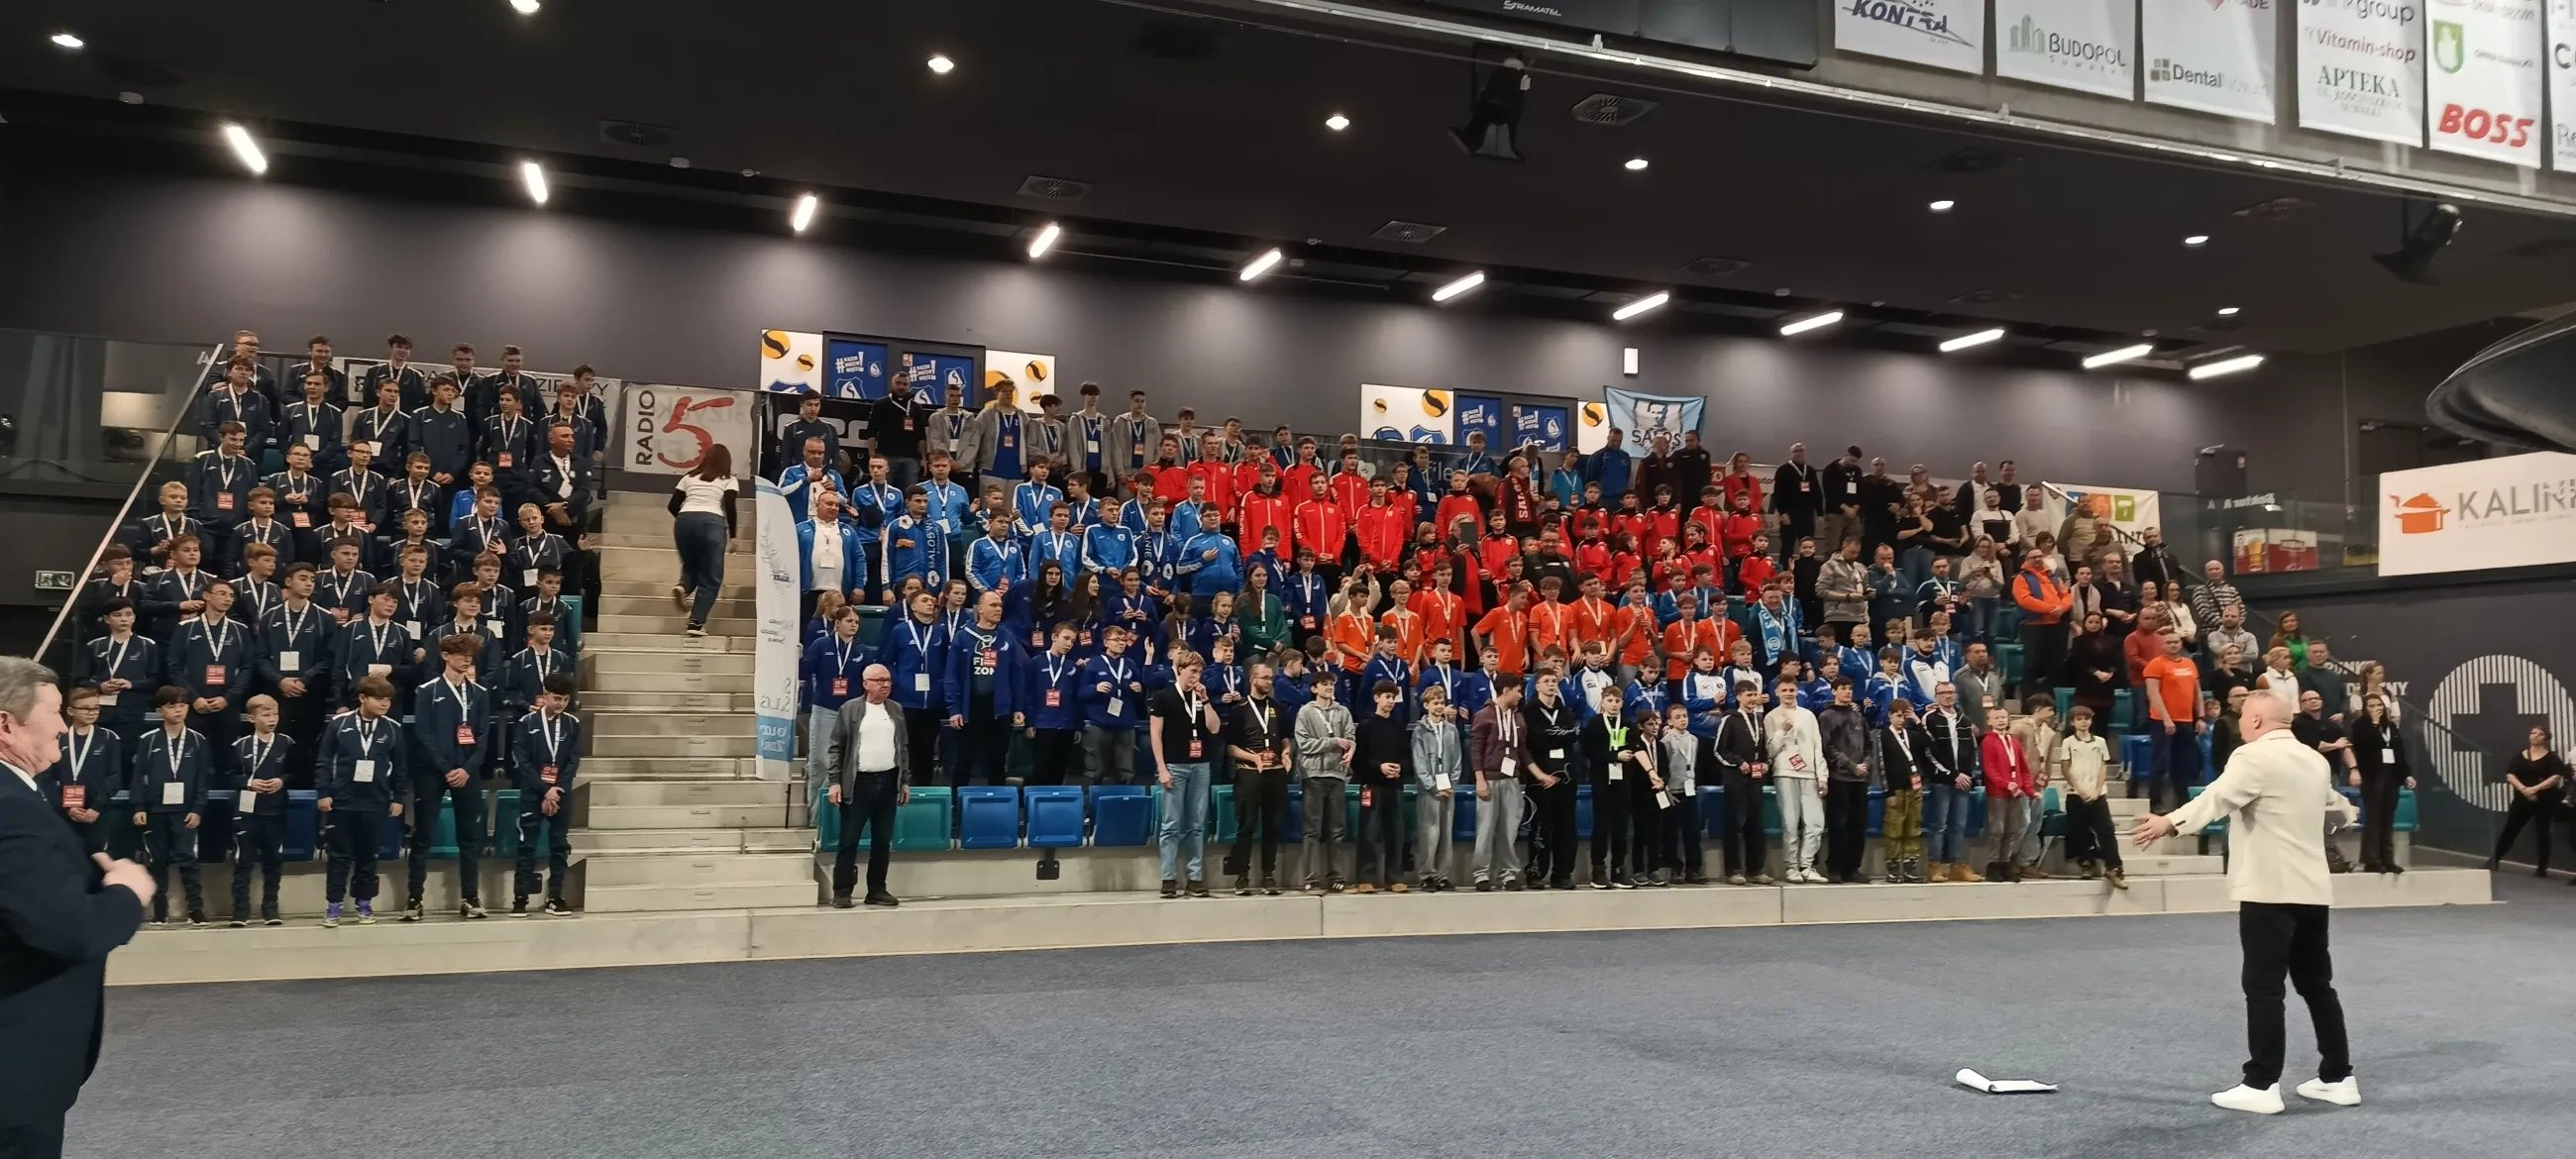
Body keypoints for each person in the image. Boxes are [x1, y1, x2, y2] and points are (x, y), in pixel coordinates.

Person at [2130, 689, 2361, 1115]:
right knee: (2317, 985)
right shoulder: (2314, 760)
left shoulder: (2253, 757)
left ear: (2255, 720)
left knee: (2264, 987)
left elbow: (2217, 797)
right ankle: (2338, 1077)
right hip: (2312, 889)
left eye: (2242, 717)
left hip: (2267, 891)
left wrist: (2169, 822)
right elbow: (2341, 810)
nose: (2239, 723)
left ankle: (2261, 1084)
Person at [0, 656, 156, 1159]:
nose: (64, 726)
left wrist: (83, 872)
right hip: (14, 1067)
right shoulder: (9, 806)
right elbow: (70, 932)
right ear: (7, 724)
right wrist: (127, 891)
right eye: (53, 712)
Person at [409, 633, 492, 921]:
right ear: (445, 656)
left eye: (470, 656)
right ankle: (414, 898)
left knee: (470, 836)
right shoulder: (427, 691)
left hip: (467, 772)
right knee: (423, 833)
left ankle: (470, 897)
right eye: (461, 655)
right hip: (433, 771)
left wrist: (467, 768)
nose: (467, 660)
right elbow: (423, 733)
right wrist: (446, 768)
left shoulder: (479, 693)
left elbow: (483, 735)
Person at [318, 675, 406, 927]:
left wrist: (398, 797)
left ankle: (364, 903)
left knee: (368, 856)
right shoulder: (339, 724)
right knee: (339, 856)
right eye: (379, 699)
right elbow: (324, 760)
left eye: (388, 700)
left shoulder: (393, 728)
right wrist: (323, 792)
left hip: (376, 800)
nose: (385, 704)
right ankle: (334, 905)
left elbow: (400, 766)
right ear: (362, 698)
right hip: (342, 800)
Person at [826, 664, 909, 908]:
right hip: (858, 783)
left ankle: (877, 890)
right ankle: (842, 891)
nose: (885, 685)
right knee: (849, 839)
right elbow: (836, 748)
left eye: (888, 680)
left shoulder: (896, 709)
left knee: (882, 840)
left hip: (888, 781)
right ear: (866, 684)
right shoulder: (850, 709)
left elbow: (903, 748)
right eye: (879, 680)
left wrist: (905, 781)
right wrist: (834, 782)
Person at [1149, 651, 1223, 898]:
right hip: (1174, 765)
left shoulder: (1201, 697)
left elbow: (1214, 728)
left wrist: (1206, 700)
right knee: (1171, 824)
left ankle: (1195, 878)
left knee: (1197, 824)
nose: (1196, 676)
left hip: (1201, 765)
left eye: (1199, 672)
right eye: (1192, 671)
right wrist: (1162, 768)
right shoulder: (1163, 697)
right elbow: (1155, 735)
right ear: (1180, 669)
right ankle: (1168, 878)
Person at [510, 673, 582, 915]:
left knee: (559, 845)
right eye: (557, 698)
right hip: (534, 791)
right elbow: (522, 761)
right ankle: (520, 898)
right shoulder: (527, 723)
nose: (561, 703)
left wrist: (556, 789)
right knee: (527, 844)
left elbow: (573, 760)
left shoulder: (573, 724)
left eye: (565, 699)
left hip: (560, 792)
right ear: (545, 695)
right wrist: (545, 789)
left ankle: (555, 897)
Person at [1225, 659, 1292, 896]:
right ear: (1253, 680)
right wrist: (1253, 758)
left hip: (1275, 773)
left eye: (1271, 678)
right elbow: (1231, 748)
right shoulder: (1239, 710)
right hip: (1249, 772)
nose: (1269, 682)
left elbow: (1285, 739)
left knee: (1273, 826)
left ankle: (1268, 874)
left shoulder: (1279, 708)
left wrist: (1286, 754)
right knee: (1247, 825)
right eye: (1265, 678)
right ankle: (1242, 875)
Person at [227, 695, 292, 926]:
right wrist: (248, 783)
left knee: (273, 860)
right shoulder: (239, 745)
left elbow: (298, 771)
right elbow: (229, 775)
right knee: (243, 861)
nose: (272, 719)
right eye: (266, 715)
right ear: (251, 718)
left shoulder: (287, 743)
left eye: (275, 714)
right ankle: (240, 911)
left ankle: (270, 907)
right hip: (246, 811)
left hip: (275, 810)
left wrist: (282, 780)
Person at [1349, 680, 1413, 894]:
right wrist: (1379, 767)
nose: (1390, 701)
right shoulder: (1366, 726)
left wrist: (1400, 768)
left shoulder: (1398, 727)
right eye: (1387, 697)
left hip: (1395, 786)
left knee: (1396, 833)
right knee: (1368, 832)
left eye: (1393, 697)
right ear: (1376, 698)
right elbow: (1358, 760)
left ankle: (1394, 878)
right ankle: (1365, 878)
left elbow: (1407, 756)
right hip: (1372, 785)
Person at [1293, 669, 1353, 894]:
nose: (1329, 687)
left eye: (1332, 683)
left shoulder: (1343, 711)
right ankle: (1311, 878)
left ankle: (1336, 875)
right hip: (1314, 776)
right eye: (1324, 684)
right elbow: (1305, 745)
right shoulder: (1305, 712)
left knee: (1337, 830)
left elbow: (1350, 739)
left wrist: (1350, 751)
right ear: (1314, 688)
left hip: (1337, 775)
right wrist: (1333, 742)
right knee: (1312, 830)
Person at [669, 445, 739, 636]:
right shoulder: (729, 480)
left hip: (684, 520)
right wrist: (733, 536)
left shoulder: (689, 477)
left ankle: (683, 586)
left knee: (691, 564)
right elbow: (730, 507)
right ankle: (696, 623)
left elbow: (672, 505)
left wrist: (687, 520)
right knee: (711, 576)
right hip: (712, 522)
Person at [1467, 677, 1530, 892]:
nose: (1520, 695)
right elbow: (1476, 750)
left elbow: (1522, 749)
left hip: (1512, 779)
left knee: (1509, 830)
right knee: (1485, 830)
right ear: (1506, 690)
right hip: (1490, 779)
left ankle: (1508, 874)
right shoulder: (1484, 715)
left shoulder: (1518, 717)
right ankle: (1481, 874)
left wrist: (1538, 774)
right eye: (1518, 691)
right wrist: (1480, 780)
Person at [2057, 706, 2125, 888]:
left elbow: (2102, 766)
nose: (2083, 722)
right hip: (2076, 794)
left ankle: (2114, 867)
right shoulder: (2068, 742)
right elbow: (2065, 768)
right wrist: (2079, 789)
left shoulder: (2100, 741)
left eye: (2086, 718)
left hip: (2098, 794)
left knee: (2107, 830)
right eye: (2079, 719)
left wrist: (2097, 790)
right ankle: (2086, 863)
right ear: (2072, 722)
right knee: (2080, 831)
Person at [2346, 694, 2415, 876]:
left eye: (2378, 705)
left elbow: (2399, 752)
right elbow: (2365, 746)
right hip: (2372, 775)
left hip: (2391, 775)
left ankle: (2388, 859)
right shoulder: (2360, 726)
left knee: (2388, 818)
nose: (2375, 709)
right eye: (2370, 706)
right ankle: (2372, 860)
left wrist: (2406, 774)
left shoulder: (2391, 727)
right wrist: (2374, 725)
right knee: (2374, 817)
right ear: (2365, 708)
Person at [1766, 676, 1825, 884]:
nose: (1789, 694)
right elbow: (1770, 751)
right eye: (1784, 690)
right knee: (1790, 823)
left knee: (1815, 823)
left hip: (1809, 773)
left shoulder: (1808, 716)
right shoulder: (1771, 717)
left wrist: (1822, 775)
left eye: (1792, 690)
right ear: (1777, 692)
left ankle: (1806, 865)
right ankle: (1791, 867)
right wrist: (1782, 731)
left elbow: (1817, 746)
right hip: (1784, 773)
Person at [1712, 682, 1771, 885]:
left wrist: (1765, 763)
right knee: (1735, 824)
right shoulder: (1729, 719)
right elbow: (1719, 750)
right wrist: (1738, 763)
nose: (1753, 699)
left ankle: (1755, 869)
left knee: (1756, 825)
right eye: (1749, 695)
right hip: (1735, 779)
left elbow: (1762, 749)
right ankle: (1733, 870)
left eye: (1755, 695)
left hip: (1755, 780)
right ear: (1738, 697)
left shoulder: (1759, 719)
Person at [1921, 682, 1981, 882]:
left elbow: (1972, 749)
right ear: (1936, 696)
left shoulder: (1965, 719)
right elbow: (1929, 752)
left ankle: (1957, 864)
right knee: (1939, 824)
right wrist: (1953, 774)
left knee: (1959, 825)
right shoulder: (1930, 718)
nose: (1948, 696)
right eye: (1943, 693)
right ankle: (1935, 865)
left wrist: (1968, 774)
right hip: (1941, 780)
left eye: (1951, 692)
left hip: (1963, 780)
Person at [2489, 725, 2565, 878]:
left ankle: (2542, 868)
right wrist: (2524, 789)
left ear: (2546, 739)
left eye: (2540, 734)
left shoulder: (2552, 758)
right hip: (2522, 800)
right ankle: (2494, 860)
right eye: (2533, 733)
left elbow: (2556, 777)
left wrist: (2535, 789)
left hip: (2545, 800)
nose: (2535, 736)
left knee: (2543, 832)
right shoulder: (2520, 755)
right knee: (2510, 829)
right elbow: (2510, 774)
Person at [2140, 630, 2204, 811]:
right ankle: (2155, 802)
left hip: (2186, 720)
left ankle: (2184, 803)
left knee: (2184, 764)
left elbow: (2197, 692)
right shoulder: (2155, 664)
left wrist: (2200, 717)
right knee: (2160, 762)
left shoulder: (2189, 663)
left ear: (2181, 643)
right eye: (2168, 642)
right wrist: (2167, 719)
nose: (2172, 645)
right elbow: (2153, 693)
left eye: (2176, 642)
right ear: (2162, 645)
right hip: (2162, 721)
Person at [1817, 677, 1871, 884]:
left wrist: (1865, 764)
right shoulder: (1827, 716)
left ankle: (1852, 868)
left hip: (1859, 780)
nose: (1847, 692)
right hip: (1839, 778)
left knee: (1858, 826)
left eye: (1850, 688)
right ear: (1833, 691)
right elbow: (1829, 748)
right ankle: (1835, 868)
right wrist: (1852, 766)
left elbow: (1868, 746)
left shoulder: (1858, 717)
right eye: (1843, 688)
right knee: (1838, 825)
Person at [1411, 682, 1464, 893]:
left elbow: (1457, 759)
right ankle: (1427, 875)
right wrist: (1433, 787)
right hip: (1429, 790)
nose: (1439, 706)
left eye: (1441, 702)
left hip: (1448, 788)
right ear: (1426, 705)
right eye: (1435, 702)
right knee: (1429, 833)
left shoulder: (1451, 730)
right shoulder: (1420, 731)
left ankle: (1443, 875)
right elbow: (1419, 763)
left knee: (1446, 833)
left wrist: (1452, 784)